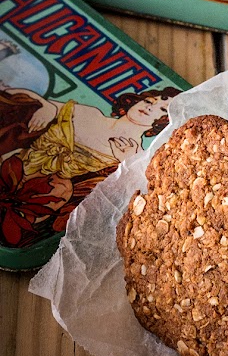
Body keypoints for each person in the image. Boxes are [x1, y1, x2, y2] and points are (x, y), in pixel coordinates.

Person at [0, 83, 180, 248]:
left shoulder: (138, 155)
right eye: (149, 100)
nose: (149, 106)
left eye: (162, 109)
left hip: (34, 205)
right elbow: (26, 98)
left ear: (163, 121)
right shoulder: (89, 114)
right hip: (9, 169)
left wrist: (127, 166)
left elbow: (128, 204)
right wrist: (47, 108)